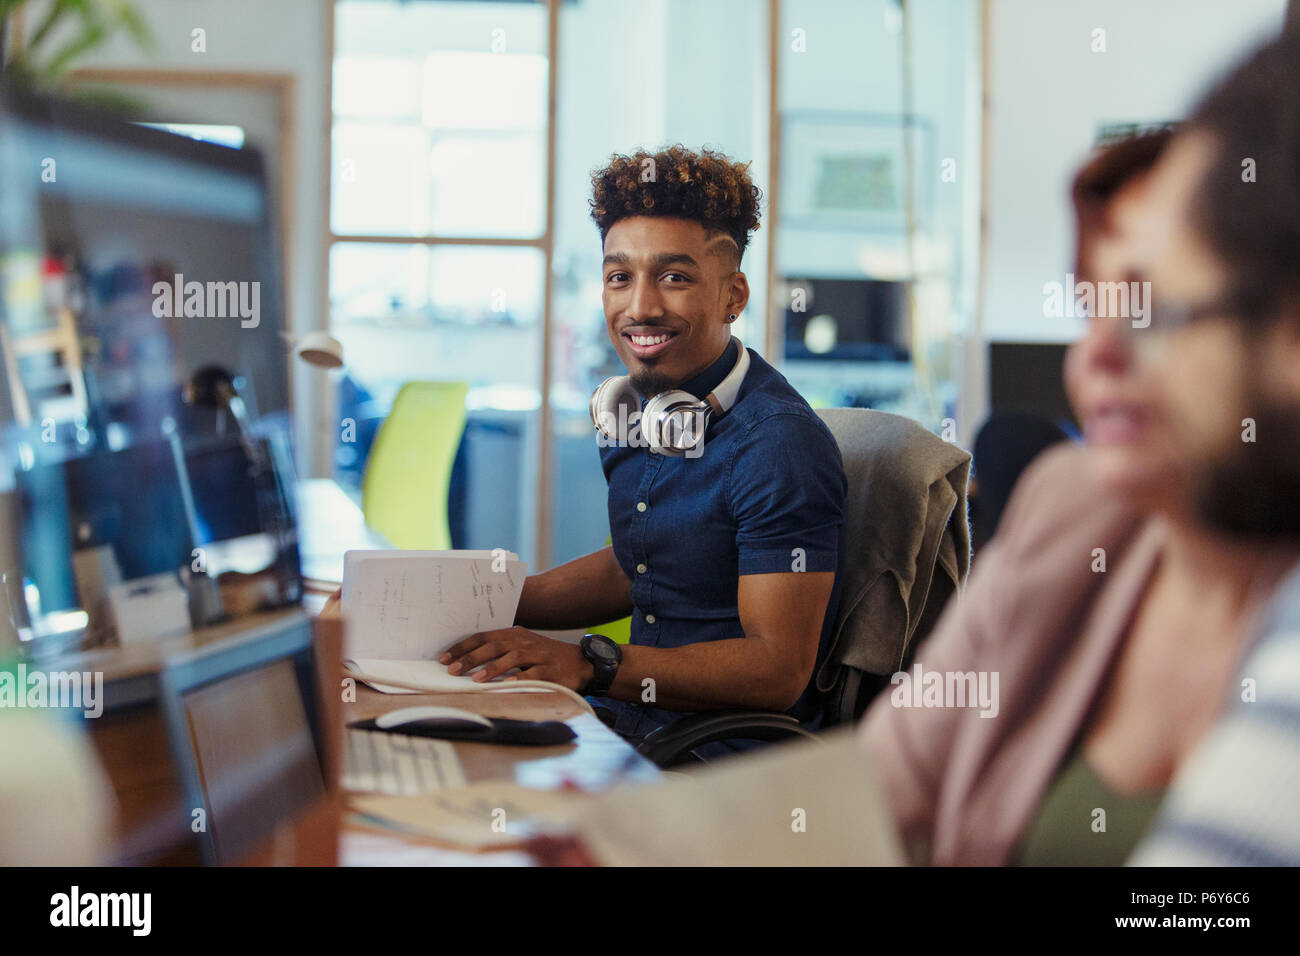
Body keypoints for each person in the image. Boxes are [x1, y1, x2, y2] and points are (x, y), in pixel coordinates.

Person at [858, 33, 1300, 865]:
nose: (1095, 354)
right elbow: (880, 799)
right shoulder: (1071, 507)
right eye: (1090, 305)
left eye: (1154, 308)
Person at [437, 145, 848, 751]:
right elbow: (636, 564)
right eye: (619, 277)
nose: (640, 306)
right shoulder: (639, 411)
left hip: (713, 757)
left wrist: (590, 663)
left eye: (674, 277)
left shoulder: (779, 444)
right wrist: (481, 608)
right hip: (628, 722)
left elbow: (778, 668)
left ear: (733, 296)